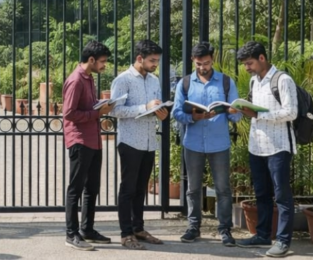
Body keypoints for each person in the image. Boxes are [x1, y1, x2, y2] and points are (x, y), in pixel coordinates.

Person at [171, 42, 240, 246]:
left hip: (219, 143)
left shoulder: (226, 82)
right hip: (193, 143)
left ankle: (225, 229)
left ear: (213, 60)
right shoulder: (184, 83)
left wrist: (233, 112)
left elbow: (236, 116)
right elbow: (177, 113)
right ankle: (193, 226)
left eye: (207, 63)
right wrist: (194, 117)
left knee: (223, 189)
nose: (203, 67)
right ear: (193, 60)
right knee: (193, 188)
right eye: (199, 63)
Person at [234, 41, 298, 258]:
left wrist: (260, 115)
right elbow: (255, 110)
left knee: (281, 195)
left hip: (278, 147)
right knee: (261, 194)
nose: (247, 68)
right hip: (257, 146)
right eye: (244, 64)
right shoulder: (254, 81)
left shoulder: (283, 80)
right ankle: (262, 235)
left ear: (262, 58)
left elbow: (291, 112)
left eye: (249, 63)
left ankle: (283, 241)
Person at [109, 39, 169, 250]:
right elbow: (115, 111)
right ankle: (126, 234)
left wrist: (161, 113)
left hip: (149, 141)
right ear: (139, 58)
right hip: (130, 141)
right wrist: (144, 106)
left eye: (157, 61)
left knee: (141, 188)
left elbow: (156, 105)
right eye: (152, 60)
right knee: (128, 188)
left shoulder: (154, 80)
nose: (155, 64)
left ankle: (138, 228)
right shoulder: (122, 80)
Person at [61, 41, 115, 251]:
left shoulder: (89, 78)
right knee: (75, 189)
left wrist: (100, 107)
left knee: (92, 188)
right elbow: (69, 113)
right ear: (91, 60)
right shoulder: (76, 80)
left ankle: (87, 230)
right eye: (102, 62)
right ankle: (71, 233)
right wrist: (98, 113)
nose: (104, 66)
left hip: (93, 140)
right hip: (79, 141)